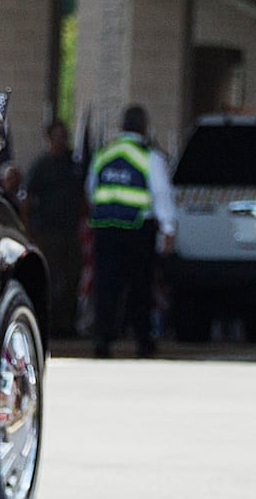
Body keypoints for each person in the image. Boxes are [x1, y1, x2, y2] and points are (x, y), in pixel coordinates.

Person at [84, 105, 174, 357]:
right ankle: (143, 341)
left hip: (105, 229)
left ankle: (102, 340)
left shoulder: (104, 153)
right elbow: (161, 193)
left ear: (122, 127)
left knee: (106, 287)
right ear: (144, 128)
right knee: (140, 288)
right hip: (137, 229)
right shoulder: (149, 156)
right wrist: (167, 228)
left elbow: (91, 190)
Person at [23, 124, 87, 340]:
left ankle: (66, 323)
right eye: (57, 137)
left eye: (64, 136)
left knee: (71, 278)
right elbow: (28, 198)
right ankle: (46, 324)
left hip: (70, 231)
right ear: (49, 138)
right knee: (50, 279)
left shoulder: (73, 164)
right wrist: (28, 230)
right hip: (47, 232)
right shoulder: (41, 165)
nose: (62, 141)